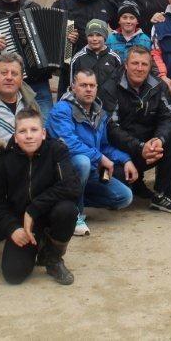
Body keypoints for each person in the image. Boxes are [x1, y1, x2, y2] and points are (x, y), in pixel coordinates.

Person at [0, 108, 81, 285]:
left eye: (34, 130)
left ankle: (52, 257)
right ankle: (34, 245)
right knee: (13, 275)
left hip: (49, 215)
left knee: (67, 210)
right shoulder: (4, 161)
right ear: (15, 136)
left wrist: (34, 208)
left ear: (43, 133)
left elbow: (72, 185)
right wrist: (12, 228)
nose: (29, 136)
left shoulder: (57, 150)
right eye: (22, 131)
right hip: (21, 223)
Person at [47, 70, 135, 237]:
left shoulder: (99, 113)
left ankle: (67, 199)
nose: (88, 89)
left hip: (90, 171)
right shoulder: (61, 110)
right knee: (82, 161)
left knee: (124, 197)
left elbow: (104, 146)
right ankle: (75, 215)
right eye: (83, 85)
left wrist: (126, 159)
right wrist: (100, 157)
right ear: (73, 87)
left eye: (92, 86)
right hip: (64, 170)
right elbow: (68, 144)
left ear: (96, 88)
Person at [101, 46, 171, 214]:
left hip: (149, 147)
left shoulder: (158, 85)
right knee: (117, 192)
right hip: (121, 151)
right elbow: (112, 129)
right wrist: (140, 146)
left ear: (149, 67)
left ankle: (163, 194)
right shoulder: (109, 87)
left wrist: (158, 140)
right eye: (134, 63)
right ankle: (134, 183)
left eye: (144, 64)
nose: (139, 68)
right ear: (126, 64)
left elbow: (169, 117)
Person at [0, 53, 40, 152]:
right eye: (4, 73)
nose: (9, 77)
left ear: (21, 79)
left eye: (14, 74)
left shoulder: (31, 103)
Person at [52, 0, 118, 58]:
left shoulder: (106, 1)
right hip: (68, 59)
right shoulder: (64, 1)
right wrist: (64, 35)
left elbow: (118, 26)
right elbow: (50, 28)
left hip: (98, 60)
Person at [66, 19, 122, 93]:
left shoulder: (115, 58)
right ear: (86, 37)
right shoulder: (78, 58)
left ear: (105, 37)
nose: (94, 39)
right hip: (85, 103)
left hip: (109, 103)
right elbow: (72, 86)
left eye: (99, 35)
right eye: (91, 35)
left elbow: (120, 85)